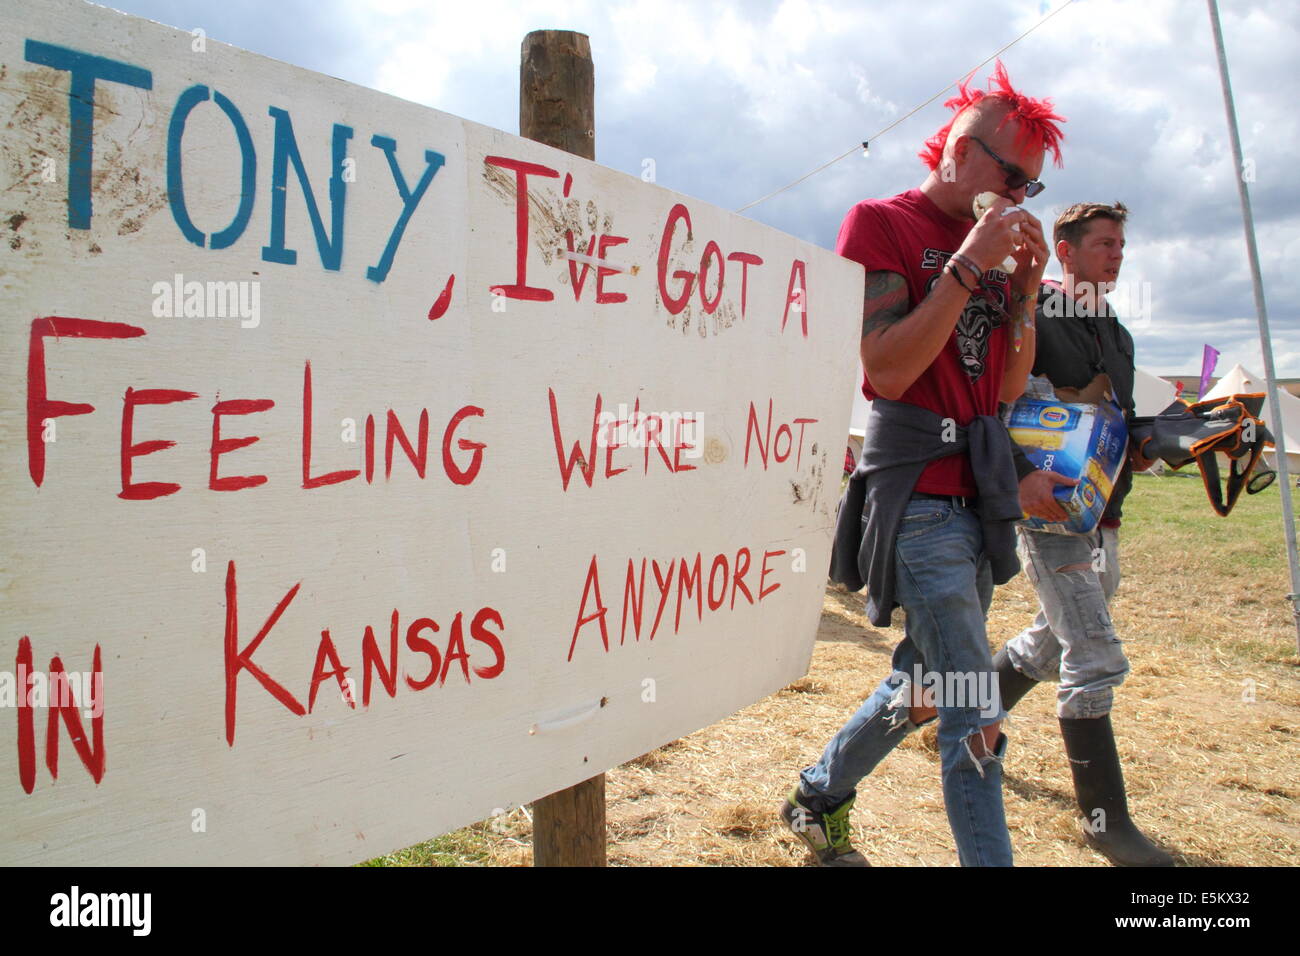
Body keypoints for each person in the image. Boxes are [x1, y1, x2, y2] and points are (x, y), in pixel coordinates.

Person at [780, 64, 1072, 866]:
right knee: (974, 704)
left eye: (1031, 187)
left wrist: (1026, 288)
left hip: (978, 497)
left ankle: (818, 793)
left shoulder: (1001, 248)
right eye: (1010, 174)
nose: (1016, 195)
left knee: (931, 685)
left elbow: (1007, 389)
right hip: (919, 499)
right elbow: (886, 370)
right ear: (956, 147)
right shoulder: (880, 222)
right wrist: (969, 265)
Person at [994, 202, 1175, 867]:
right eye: (1104, 244)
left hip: (1106, 511)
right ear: (1065, 253)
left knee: (1051, 640)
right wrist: (1021, 474)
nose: (1117, 254)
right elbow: (1007, 406)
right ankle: (1106, 822)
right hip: (1050, 511)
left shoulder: (1119, 335)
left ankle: (964, 718)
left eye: (1123, 245)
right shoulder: (1032, 314)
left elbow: (1117, 419)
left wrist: (1162, 442)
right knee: (1092, 649)